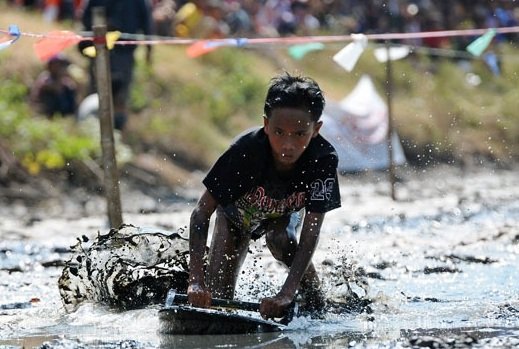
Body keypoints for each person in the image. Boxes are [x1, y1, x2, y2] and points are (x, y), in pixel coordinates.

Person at [187, 72, 341, 320]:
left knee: (281, 238)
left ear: (315, 130)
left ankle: (316, 302)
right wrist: (195, 281)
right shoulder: (244, 152)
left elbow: (311, 232)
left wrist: (286, 294)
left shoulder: (322, 160)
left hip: (283, 217)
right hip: (235, 217)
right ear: (266, 125)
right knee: (217, 299)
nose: (288, 145)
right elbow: (201, 212)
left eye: (299, 134)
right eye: (279, 133)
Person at [80, 0, 153, 131]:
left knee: (121, 96)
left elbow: (146, 22)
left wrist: (149, 49)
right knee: (96, 92)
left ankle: (117, 131)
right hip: (98, 50)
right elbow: (85, 17)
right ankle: (91, 128)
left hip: (124, 53)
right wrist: (100, 26)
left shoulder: (138, 2)